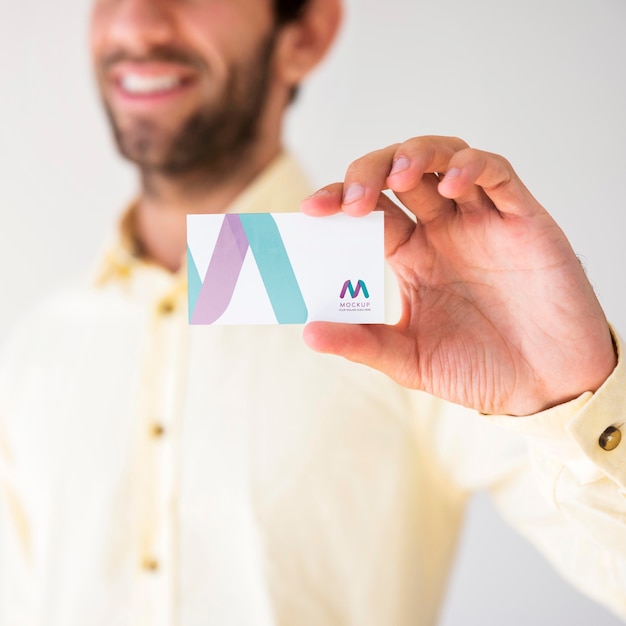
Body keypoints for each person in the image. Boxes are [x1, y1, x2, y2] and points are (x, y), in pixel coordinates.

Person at [0, 1, 625, 626]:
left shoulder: (423, 313)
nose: (136, 22)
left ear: (305, 35)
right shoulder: (35, 351)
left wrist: (578, 393)